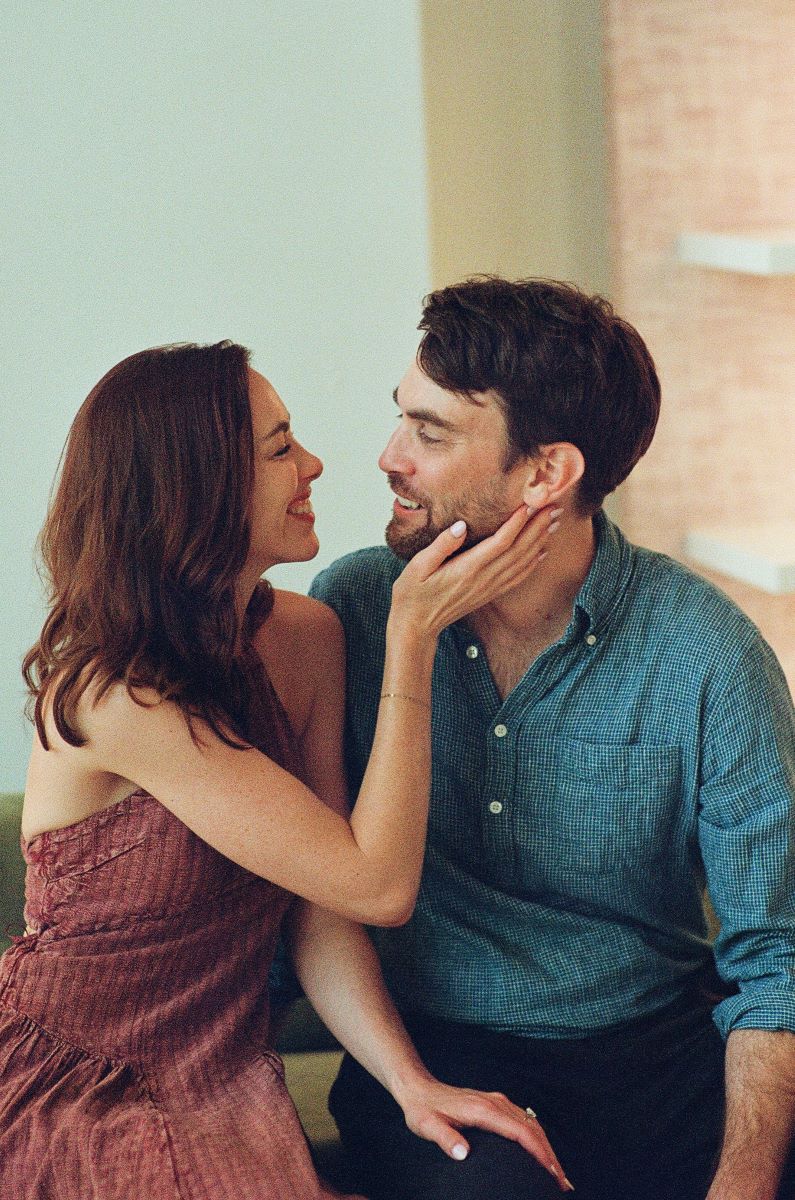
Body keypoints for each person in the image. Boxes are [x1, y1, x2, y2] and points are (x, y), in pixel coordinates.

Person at [0, 340, 566, 1199]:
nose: (314, 464)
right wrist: (411, 637)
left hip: (224, 1073)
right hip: (79, 1086)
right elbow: (379, 886)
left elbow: (327, 907)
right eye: (277, 450)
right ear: (193, 489)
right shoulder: (115, 697)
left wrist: (408, 1082)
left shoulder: (305, 637)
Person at [305, 278, 795, 1200]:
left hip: (653, 1056)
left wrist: (741, 1183)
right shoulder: (356, 610)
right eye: (401, 419)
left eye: (432, 432)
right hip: (429, 1061)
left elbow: (777, 954)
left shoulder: (706, 654)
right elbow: (319, 895)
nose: (388, 457)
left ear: (545, 474)